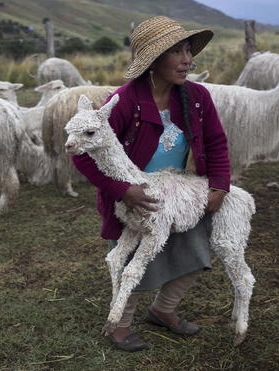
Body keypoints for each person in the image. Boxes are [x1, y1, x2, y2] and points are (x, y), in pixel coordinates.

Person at [72, 16, 231, 352]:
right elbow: (82, 154)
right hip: (133, 196)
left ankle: (163, 310)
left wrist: (219, 185)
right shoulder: (124, 102)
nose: (187, 59)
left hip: (176, 193)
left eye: (189, 50)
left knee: (198, 253)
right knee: (130, 261)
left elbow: (216, 143)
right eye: (177, 52)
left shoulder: (197, 97)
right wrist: (123, 191)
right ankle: (120, 325)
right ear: (154, 60)